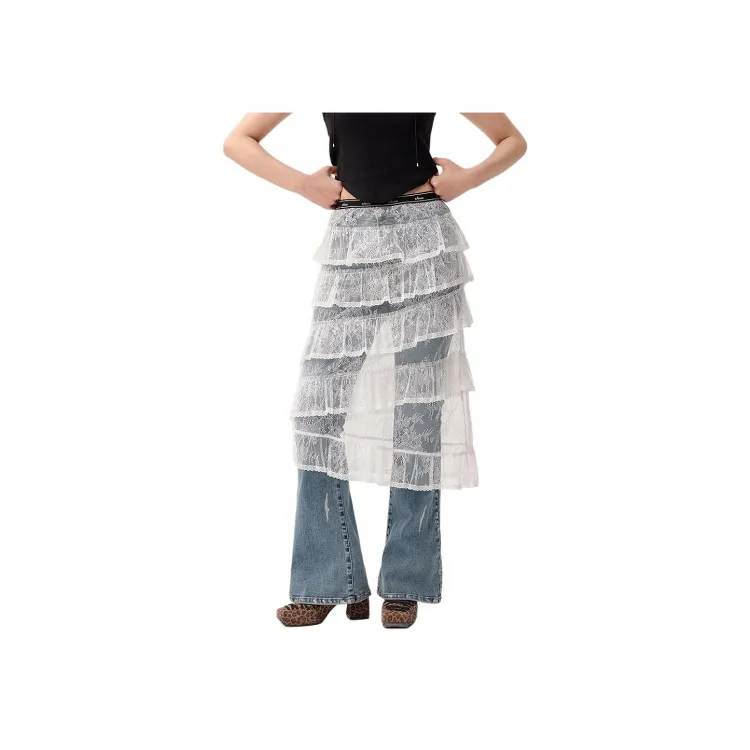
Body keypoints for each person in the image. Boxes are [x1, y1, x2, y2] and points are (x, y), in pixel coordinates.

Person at [223, 113, 527, 628]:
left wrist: (469, 178)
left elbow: (511, 140)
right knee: (317, 415)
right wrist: (301, 184)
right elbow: (238, 140)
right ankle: (327, 580)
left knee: (417, 415)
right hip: (352, 238)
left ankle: (405, 581)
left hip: (424, 239)